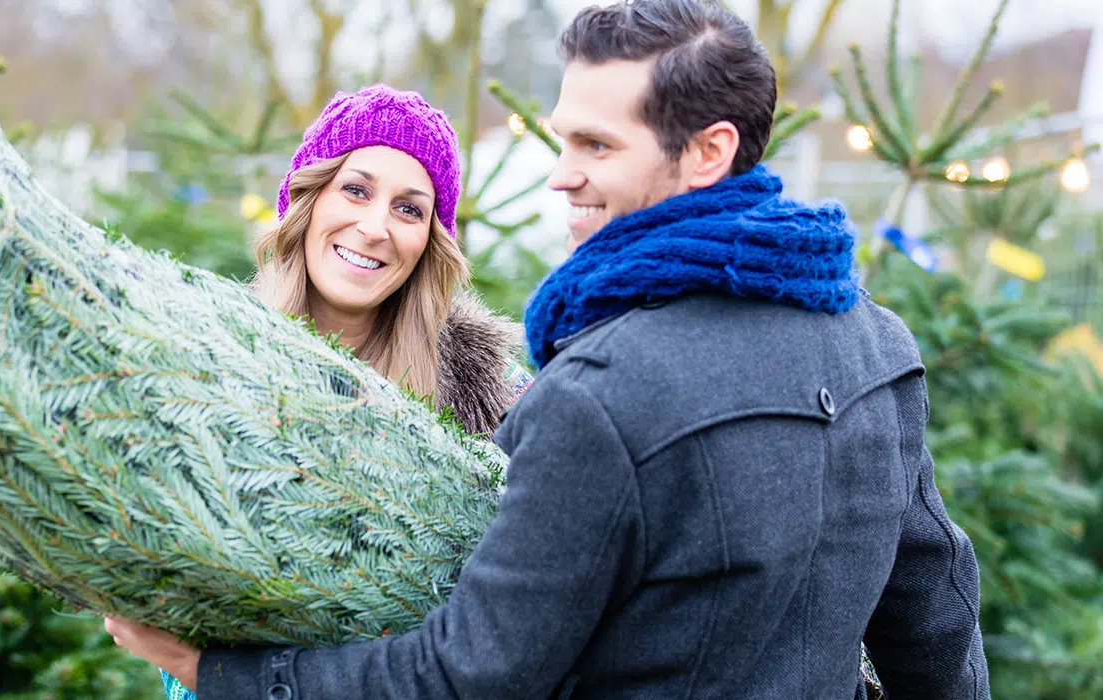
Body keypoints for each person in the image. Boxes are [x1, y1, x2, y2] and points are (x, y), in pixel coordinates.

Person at [106, 1, 992, 699]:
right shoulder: (877, 342)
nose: (559, 170)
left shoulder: (597, 394)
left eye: (595, 144)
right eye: (563, 136)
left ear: (709, 152)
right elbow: (934, 621)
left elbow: (468, 676)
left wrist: (219, 676)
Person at [154, 83, 535, 700]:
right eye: (355, 190)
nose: (375, 226)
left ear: (430, 243)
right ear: (308, 201)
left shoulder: (494, 399)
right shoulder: (213, 366)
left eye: (409, 209)